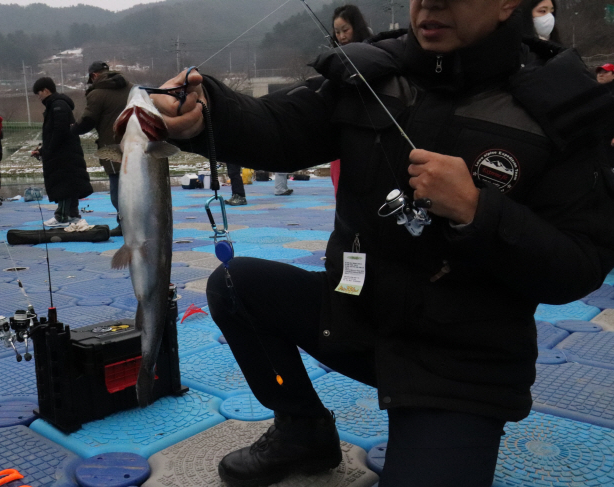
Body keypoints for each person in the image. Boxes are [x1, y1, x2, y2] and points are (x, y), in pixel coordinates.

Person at [151, 0, 614, 485]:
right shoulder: (372, 69)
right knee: (235, 284)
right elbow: (281, 125)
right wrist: (208, 114)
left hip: (459, 367)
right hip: (355, 321)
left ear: (506, 4)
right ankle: (303, 430)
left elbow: (578, 264)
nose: (429, 3)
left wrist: (480, 211)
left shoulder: (562, 105)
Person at [71, 61, 132, 236]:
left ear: (94, 76)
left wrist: (73, 129)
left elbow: (88, 121)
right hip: (136, 146)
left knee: (117, 193)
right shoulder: (132, 88)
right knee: (137, 188)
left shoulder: (97, 94)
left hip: (113, 149)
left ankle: (125, 225)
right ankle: (142, 223)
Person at [32, 77, 93, 227]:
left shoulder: (57, 105)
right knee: (70, 183)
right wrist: (42, 150)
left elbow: (59, 131)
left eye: (38, 93)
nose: (38, 97)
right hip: (66, 153)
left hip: (63, 155)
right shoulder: (57, 105)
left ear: (46, 90)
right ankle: (72, 214)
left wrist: (48, 150)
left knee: (64, 184)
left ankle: (62, 216)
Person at [330, 5, 372, 197]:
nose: (341, 36)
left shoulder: (373, 52)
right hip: (341, 131)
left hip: (367, 133)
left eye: (345, 30)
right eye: (337, 32)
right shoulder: (334, 58)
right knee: (340, 186)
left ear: (356, 27)